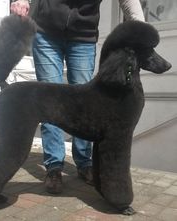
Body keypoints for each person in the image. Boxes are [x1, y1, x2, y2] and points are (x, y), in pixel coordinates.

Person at [10, 0, 145, 194]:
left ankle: (84, 162)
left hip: (84, 36)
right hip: (46, 32)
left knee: (86, 104)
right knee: (49, 103)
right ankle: (54, 166)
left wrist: (140, 26)